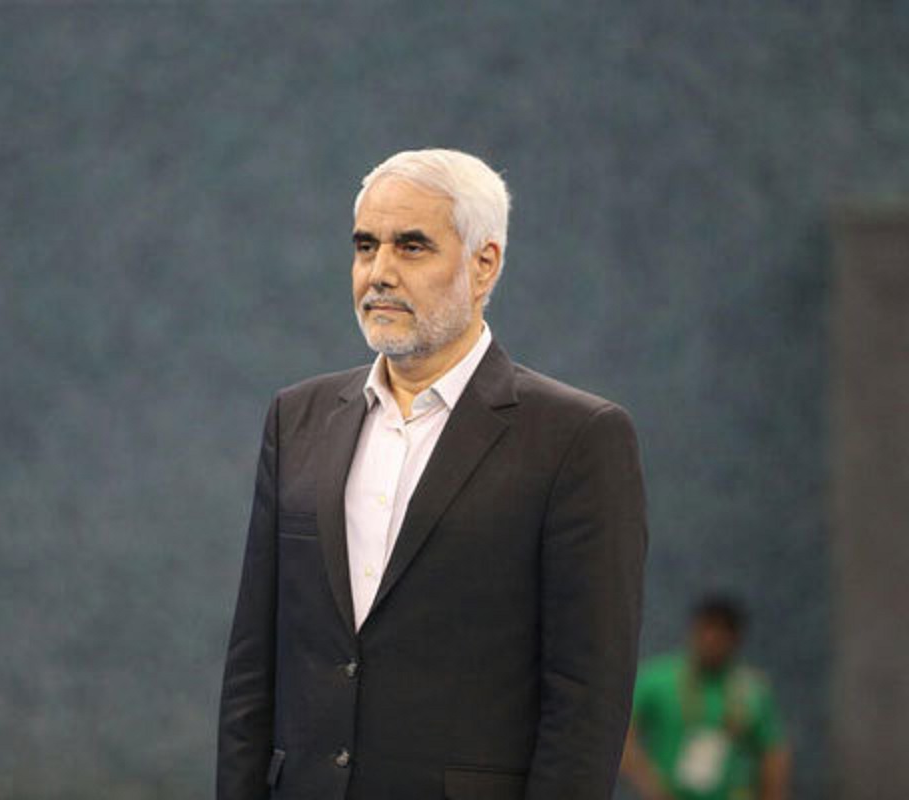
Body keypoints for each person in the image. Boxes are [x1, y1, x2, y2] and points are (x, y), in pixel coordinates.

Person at [217, 148, 648, 800]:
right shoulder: (296, 418)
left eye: (412, 247)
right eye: (366, 246)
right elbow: (253, 665)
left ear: (484, 264)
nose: (379, 273)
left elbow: (587, 699)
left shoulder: (577, 438)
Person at [620, 596, 791, 800]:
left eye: (722, 633)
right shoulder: (657, 680)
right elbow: (623, 734)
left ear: (736, 639)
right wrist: (650, 785)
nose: (712, 640)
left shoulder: (751, 690)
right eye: (707, 630)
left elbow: (773, 754)